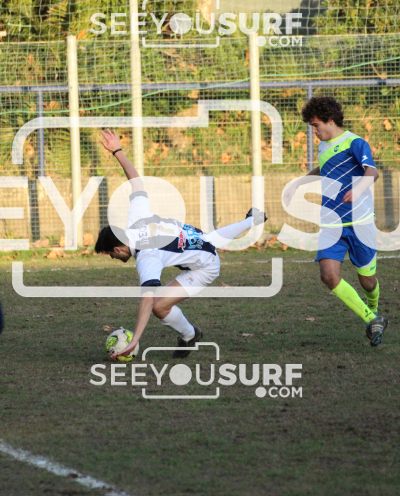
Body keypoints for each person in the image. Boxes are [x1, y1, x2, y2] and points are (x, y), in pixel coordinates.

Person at [95, 129, 267, 359]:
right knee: (209, 240)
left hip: (204, 268)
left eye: (110, 254)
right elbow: (136, 183)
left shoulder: (146, 257)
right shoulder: (136, 221)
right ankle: (251, 220)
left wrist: (135, 339)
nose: (112, 258)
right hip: (198, 240)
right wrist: (117, 150)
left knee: (159, 306)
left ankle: (190, 335)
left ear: (118, 248)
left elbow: (147, 300)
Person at [283, 96, 388, 346]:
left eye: (316, 125)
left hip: (360, 223)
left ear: (330, 120)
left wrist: (358, 189)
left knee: (368, 282)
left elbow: (372, 171)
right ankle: (372, 319)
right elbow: (325, 169)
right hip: (332, 224)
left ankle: (374, 309)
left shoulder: (355, 143)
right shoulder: (324, 146)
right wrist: (299, 183)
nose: (314, 131)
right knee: (328, 276)